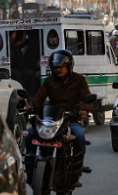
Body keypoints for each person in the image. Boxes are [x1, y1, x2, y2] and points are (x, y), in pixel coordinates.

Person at [25, 50, 92, 188]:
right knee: (30, 135)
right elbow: (39, 96)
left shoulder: (79, 80)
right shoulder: (49, 81)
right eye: (55, 68)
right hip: (52, 120)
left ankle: (76, 173)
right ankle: (31, 171)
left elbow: (87, 97)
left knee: (79, 137)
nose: (58, 70)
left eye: (60, 67)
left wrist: (84, 110)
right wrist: (30, 106)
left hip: (70, 120)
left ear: (69, 66)